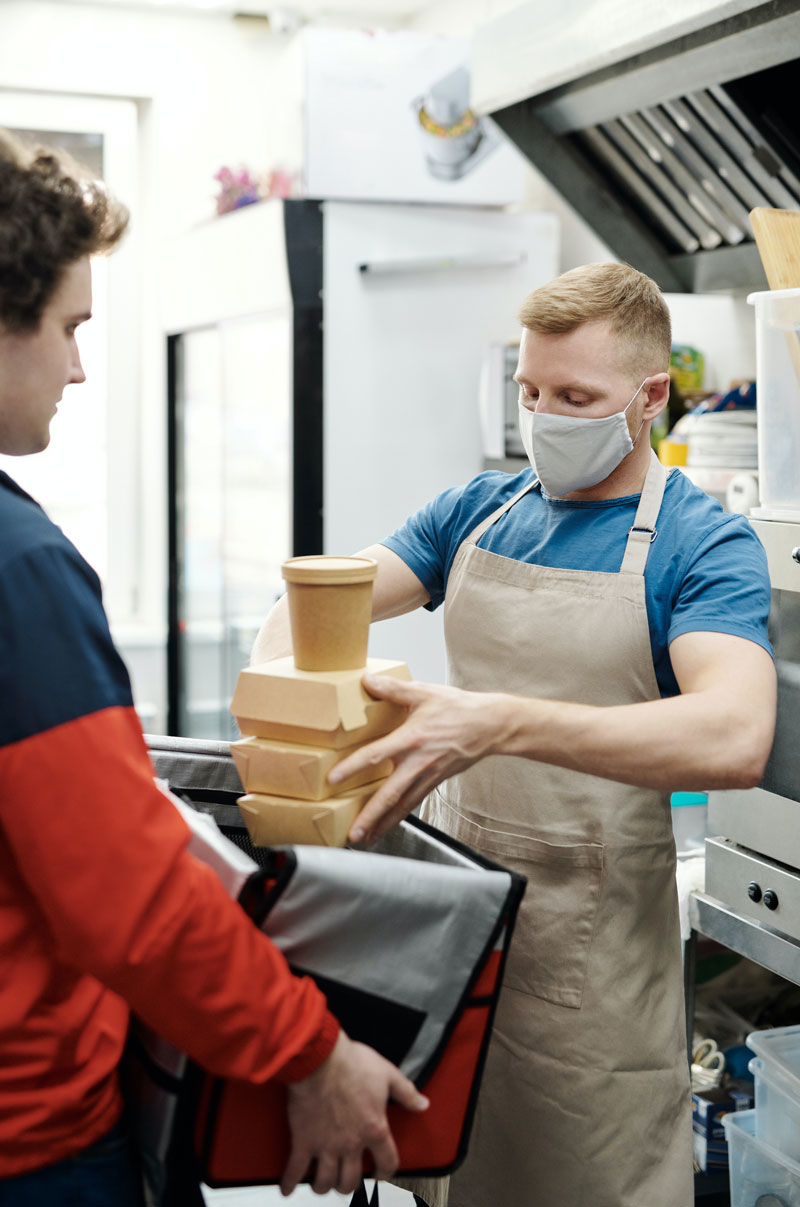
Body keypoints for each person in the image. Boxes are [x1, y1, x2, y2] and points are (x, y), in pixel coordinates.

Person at [252, 262, 777, 1207]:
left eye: (577, 397)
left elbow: (733, 733)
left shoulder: (703, 541)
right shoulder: (480, 509)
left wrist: (496, 721)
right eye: (531, 391)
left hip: (597, 989)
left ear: (649, 398)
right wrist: (289, 740)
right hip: (458, 941)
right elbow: (317, 607)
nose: (545, 417)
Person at [0, 129, 428, 1207]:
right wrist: (309, 1050)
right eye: (68, 327)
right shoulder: (18, 568)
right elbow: (128, 899)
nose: (78, 365)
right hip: (29, 1143)